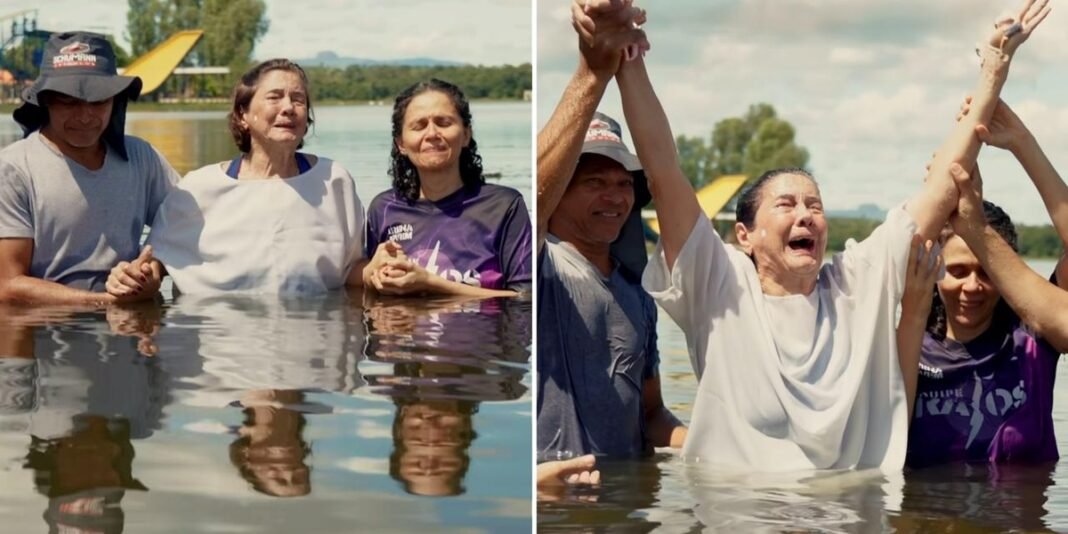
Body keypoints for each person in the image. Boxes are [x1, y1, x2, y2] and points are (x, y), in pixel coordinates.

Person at [574, 0, 1049, 470]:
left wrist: (993, 70)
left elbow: (942, 188)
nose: (805, 215)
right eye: (786, 204)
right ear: (745, 236)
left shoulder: (855, 286)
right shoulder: (719, 286)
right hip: (740, 508)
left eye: (815, 206)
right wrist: (626, 56)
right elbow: (662, 170)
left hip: (850, 506)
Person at [536, 0, 685, 469]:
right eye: (595, 182)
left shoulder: (638, 294)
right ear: (561, 189)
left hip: (626, 497)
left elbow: (652, 415)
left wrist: (711, 440)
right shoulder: (541, 265)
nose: (615, 196)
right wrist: (592, 71)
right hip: (556, 492)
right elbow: (535, 197)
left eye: (624, 183)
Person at [107, 59, 395, 296]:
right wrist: (137, 279)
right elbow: (155, 265)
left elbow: (352, 270)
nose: (288, 107)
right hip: (219, 342)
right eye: (274, 97)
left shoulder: (334, 181)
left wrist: (380, 271)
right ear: (242, 114)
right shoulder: (199, 188)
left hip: (316, 338)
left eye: (298, 99)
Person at [898, 97, 1068, 468]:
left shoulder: (1032, 338)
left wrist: (1022, 142)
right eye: (959, 271)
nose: (972, 287)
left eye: (987, 272)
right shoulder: (906, 344)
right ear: (936, 270)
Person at [0, 31, 178, 305]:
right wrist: (102, 302)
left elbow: (188, 229)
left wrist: (151, 270)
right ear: (45, 101)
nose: (85, 117)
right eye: (68, 102)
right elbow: (8, 285)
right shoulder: (12, 169)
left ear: (115, 100)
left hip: (128, 320)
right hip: (49, 322)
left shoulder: (143, 157)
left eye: (98, 101)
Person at [364, 79, 531, 298]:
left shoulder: (503, 207)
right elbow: (370, 294)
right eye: (419, 126)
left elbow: (525, 298)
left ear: (466, 134)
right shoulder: (384, 209)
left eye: (444, 123)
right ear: (401, 144)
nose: (432, 134)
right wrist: (370, 276)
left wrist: (430, 283)